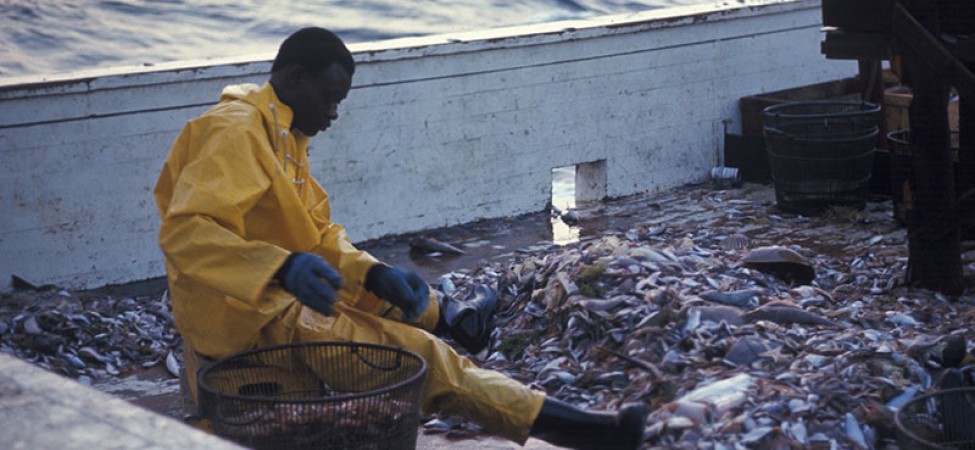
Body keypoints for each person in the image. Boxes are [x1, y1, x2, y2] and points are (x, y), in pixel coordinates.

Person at [154, 26, 646, 449]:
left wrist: (373, 272)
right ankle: (590, 434)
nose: (333, 114)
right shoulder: (236, 131)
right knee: (426, 360)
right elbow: (187, 232)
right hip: (252, 319)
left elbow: (317, 233)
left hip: (280, 294)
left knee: (384, 292)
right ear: (294, 79)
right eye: (329, 98)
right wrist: (279, 268)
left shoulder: (284, 134)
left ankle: (454, 317)